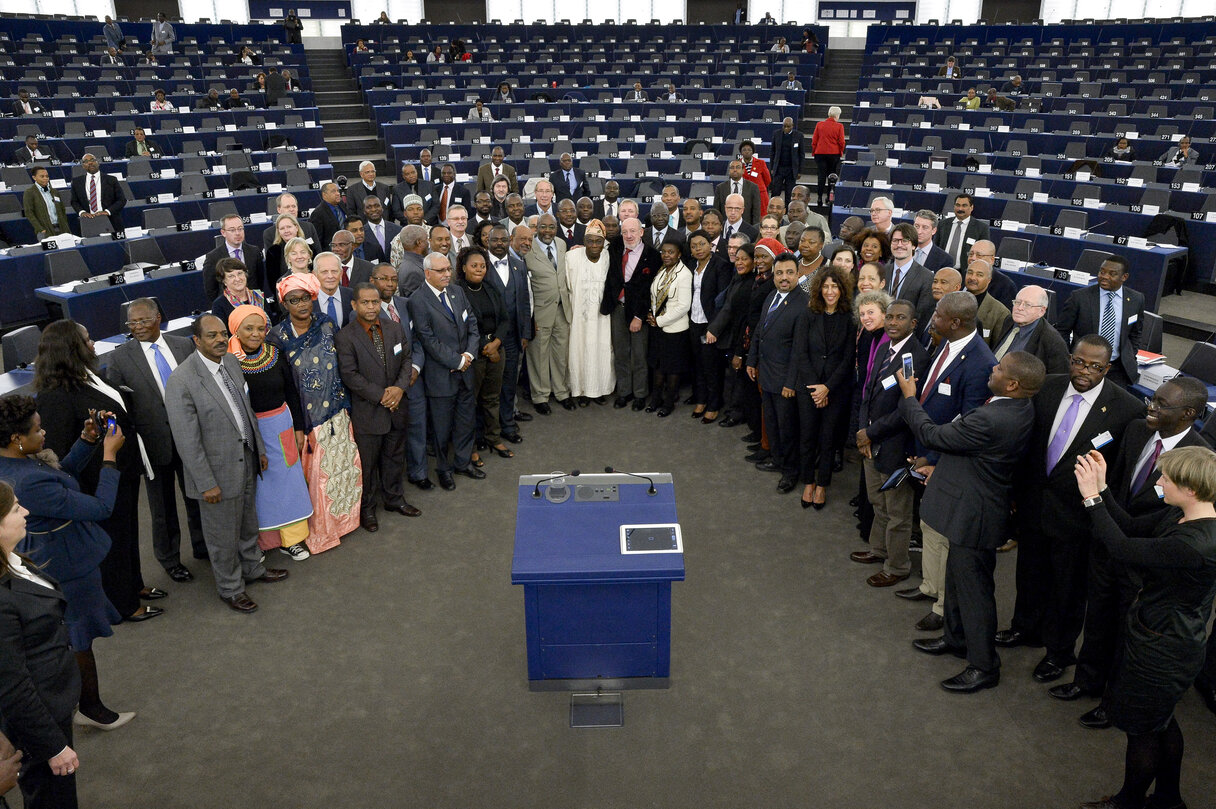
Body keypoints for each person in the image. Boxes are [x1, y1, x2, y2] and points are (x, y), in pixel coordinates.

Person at [1052, 378, 1211, 723]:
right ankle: (1087, 681)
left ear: (1188, 414)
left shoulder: (1198, 459)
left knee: (1128, 637)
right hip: (1108, 545)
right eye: (1152, 399)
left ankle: (1113, 702)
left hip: (1147, 563)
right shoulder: (1138, 430)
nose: (1150, 406)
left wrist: (1095, 500)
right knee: (1097, 618)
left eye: (1161, 404)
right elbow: (1119, 486)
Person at [1073, 446, 1216, 809]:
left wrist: (1091, 499)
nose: (1160, 481)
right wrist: (1103, 490)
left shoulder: (1194, 545)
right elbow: (1132, 527)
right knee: (1161, 721)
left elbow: (1121, 548)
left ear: (1192, 489)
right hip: (1162, 636)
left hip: (1165, 649)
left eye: (1167, 478)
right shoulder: (1184, 515)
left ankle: (1129, 802)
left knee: (1142, 731)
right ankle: (1169, 800)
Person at [998, 334, 1143, 687]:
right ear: (1069, 358)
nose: (1084, 371)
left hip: (1078, 517)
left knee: (1068, 589)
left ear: (1107, 369)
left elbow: (1119, 472)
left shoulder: (1125, 408)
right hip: (1034, 505)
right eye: (1079, 362)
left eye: (1095, 366)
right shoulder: (1046, 387)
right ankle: (1025, 628)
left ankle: (1059, 652)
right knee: (1029, 573)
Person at [904, 351, 1044, 692]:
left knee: (975, 592)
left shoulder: (993, 419)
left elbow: (933, 435)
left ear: (1012, 384)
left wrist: (909, 397)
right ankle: (955, 639)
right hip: (968, 507)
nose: (992, 369)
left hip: (974, 514)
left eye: (999, 369)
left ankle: (983, 666)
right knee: (956, 579)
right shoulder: (1014, 407)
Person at [0, 397, 138, 742]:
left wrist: (87, 442)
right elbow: (101, 506)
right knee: (78, 638)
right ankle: (90, 708)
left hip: (46, 556)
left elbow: (59, 479)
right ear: (17, 437)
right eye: (37, 428)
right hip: (65, 564)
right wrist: (109, 455)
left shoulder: (14, 463)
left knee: (71, 635)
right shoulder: (28, 481)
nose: (44, 431)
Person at [33, 321, 158, 624]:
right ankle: (123, 604)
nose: (93, 345)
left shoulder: (89, 375)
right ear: (71, 348)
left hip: (121, 469)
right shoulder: (55, 394)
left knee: (128, 531)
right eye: (87, 340)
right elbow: (59, 451)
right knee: (111, 540)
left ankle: (134, 584)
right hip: (96, 480)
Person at [165, 315, 288, 613]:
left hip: (245, 458)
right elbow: (187, 440)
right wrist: (206, 482)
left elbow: (245, 411)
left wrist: (257, 448)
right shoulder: (182, 380)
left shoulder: (232, 362)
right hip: (214, 473)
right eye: (211, 336)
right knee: (221, 535)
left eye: (223, 334)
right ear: (197, 340)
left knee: (248, 521)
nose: (220, 339)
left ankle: (253, 569)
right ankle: (230, 588)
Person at [895, 292, 997, 630]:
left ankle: (942, 606)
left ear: (955, 322)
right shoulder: (946, 342)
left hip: (947, 462)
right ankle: (929, 586)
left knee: (943, 534)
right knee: (928, 525)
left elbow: (967, 423)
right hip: (926, 448)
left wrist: (934, 459)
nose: (932, 319)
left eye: (938, 315)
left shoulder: (981, 362)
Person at [105, 299, 206, 583]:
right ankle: (170, 560)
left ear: (158, 318)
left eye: (142, 321)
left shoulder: (183, 346)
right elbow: (119, 404)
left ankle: (203, 546)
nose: (137, 328)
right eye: (131, 323)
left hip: (190, 438)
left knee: (197, 497)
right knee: (161, 508)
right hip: (152, 444)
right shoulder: (120, 358)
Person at [0, 480, 86, 808]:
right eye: (14, 509)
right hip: (38, 720)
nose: (26, 512)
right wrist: (53, 747)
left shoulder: (14, 561)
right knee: (51, 798)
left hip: (53, 702)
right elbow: (12, 685)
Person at [271, 274, 363, 552]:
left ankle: (345, 523)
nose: (301, 304)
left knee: (343, 470)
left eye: (305, 298)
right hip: (306, 419)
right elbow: (283, 384)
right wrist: (298, 426)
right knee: (316, 477)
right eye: (293, 300)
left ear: (313, 298)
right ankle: (320, 532)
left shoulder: (326, 324)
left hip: (336, 410)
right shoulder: (277, 336)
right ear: (284, 303)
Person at [227, 305, 312, 560]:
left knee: (289, 484)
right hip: (251, 432)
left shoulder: (275, 353)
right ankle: (261, 542)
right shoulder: (228, 362)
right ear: (236, 330)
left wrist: (298, 428)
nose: (256, 333)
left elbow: (291, 393)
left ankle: (292, 540)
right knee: (259, 489)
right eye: (248, 328)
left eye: (260, 328)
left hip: (282, 427)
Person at [854, 299, 929, 585]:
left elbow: (905, 409)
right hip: (870, 442)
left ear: (913, 323)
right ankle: (878, 549)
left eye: (901, 318)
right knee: (877, 501)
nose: (893, 322)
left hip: (895, 446)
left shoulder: (916, 357)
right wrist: (863, 430)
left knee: (897, 511)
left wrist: (870, 433)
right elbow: (868, 392)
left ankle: (897, 567)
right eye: (890, 317)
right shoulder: (884, 347)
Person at [409, 256, 483, 491]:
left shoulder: (457, 292)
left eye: (449, 269)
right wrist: (456, 360)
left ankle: (462, 463)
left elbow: (472, 324)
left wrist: (468, 356)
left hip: (465, 371)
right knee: (441, 429)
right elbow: (427, 339)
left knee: (465, 421)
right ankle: (444, 469)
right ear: (427, 273)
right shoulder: (417, 300)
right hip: (441, 376)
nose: (447, 274)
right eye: (441, 270)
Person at [789, 263, 856, 506]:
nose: (830, 291)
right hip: (809, 387)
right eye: (826, 286)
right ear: (819, 289)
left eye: (834, 286)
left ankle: (822, 485)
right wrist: (816, 387)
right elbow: (800, 353)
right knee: (807, 436)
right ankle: (808, 482)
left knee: (828, 439)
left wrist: (827, 387)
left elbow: (848, 358)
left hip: (835, 389)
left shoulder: (849, 318)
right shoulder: (808, 314)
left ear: (842, 289)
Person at [748, 251, 809, 490]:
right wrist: (751, 360)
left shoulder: (803, 304)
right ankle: (777, 459)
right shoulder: (771, 296)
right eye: (780, 272)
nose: (784, 277)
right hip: (766, 374)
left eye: (789, 273)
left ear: (797, 274)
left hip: (785, 381)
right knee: (772, 424)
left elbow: (799, 350)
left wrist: (790, 384)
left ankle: (790, 472)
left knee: (788, 429)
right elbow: (759, 333)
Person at [454, 248, 514, 461]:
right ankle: (469, 447)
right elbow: (462, 326)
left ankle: (493, 437)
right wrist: (484, 347)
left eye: (482, 266)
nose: (479, 269)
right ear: (463, 268)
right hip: (472, 353)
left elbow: (505, 319)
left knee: (491, 398)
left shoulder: (491, 287)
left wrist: (496, 343)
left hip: (496, 349)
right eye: (474, 265)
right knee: (470, 401)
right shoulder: (457, 291)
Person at [1055, 256, 1144, 387]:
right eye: (1102, 272)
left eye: (1112, 274)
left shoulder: (1136, 299)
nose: (1104, 276)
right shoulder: (1079, 297)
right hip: (1084, 368)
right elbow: (1062, 330)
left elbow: (1136, 333)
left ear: (1124, 277)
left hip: (1118, 368)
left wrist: (1130, 355)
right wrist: (1071, 359)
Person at [604, 216, 659, 411]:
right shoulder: (616, 247)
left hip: (638, 313)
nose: (629, 235)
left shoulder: (653, 255)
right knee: (621, 353)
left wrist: (639, 316)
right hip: (618, 308)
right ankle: (624, 392)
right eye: (625, 231)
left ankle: (640, 394)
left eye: (633, 231)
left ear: (642, 232)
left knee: (639, 355)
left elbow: (650, 290)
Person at [525, 215, 573, 414]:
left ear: (556, 228)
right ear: (536, 228)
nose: (547, 231)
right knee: (539, 356)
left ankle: (562, 392)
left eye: (551, 227)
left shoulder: (561, 244)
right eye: (542, 227)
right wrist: (530, 317)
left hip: (562, 309)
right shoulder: (528, 249)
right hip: (540, 313)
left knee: (561, 354)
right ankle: (541, 396)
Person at [563, 219, 615, 405]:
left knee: (601, 351)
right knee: (579, 351)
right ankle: (581, 391)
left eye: (598, 241)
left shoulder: (609, 257)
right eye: (590, 241)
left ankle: (599, 390)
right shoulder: (572, 257)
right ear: (584, 241)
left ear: (604, 242)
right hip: (579, 317)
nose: (594, 245)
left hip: (601, 319)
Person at [644, 239, 693, 417]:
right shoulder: (661, 271)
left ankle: (669, 403)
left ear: (679, 254)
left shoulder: (684, 274)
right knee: (658, 366)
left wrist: (660, 321)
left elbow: (683, 306)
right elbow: (655, 296)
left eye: (671, 252)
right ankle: (655, 399)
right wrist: (652, 314)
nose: (666, 255)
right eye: (664, 252)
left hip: (675, 330)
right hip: (658, 328)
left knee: (672, 369)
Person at [686, 230, 731, 423]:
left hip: (710, 324)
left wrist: (713, 328)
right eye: (694, 246)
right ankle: (701, 399)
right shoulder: (690, 266)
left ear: (710, 245)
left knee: (711, 366)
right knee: (697, 364)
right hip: (693, 322)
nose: (698, 249)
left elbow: (722, 301)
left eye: (702, 244)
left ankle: (714, 404)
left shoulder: (721, 266)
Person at [990, 285, 1070, 374]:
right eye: (1017, 302)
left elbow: (1058, 378)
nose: (1020, 308)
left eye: (1027, 305)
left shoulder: (1052, 341)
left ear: (1041, 311)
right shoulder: (1009, 320)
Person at [203, 215, 266, 303]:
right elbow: (210, 289)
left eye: (240, 229)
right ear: (223, 232)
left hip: (253, 302)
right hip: (228, 305)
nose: (237, 233)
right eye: (232, 230)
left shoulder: (254, 251)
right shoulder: (213, 257)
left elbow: (260, 280)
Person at [887, 223, 935, 326]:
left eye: (904, 241)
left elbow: (922, 316)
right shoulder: (882, 272)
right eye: (895, 240)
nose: (899, 245)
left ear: (914, 245)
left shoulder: (926, 277)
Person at [68, 153, 125, 235]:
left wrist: (107, 212)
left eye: (92, 160)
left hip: (110, 220)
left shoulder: (111, 180)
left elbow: (121, 200)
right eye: (86, 161)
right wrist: (82, 212)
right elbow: (74, 201)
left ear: (98, 162)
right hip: (88, 221)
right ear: (83, 166)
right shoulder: (77, 182)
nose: (90, 163)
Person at [933, 193, 990, 269]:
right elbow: (935, 247)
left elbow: (984, 253)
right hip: (942, 269)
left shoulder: (981, 228)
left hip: (965, 272)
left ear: (971, 207)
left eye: (964, 205)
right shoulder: (943, 224)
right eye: (957, 205)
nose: (960, 209)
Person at [210, 258, 265, 324]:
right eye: (231, 276)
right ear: (224, 281)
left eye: (240, 273)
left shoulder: (258, 295)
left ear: (245, 275)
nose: (237, 279)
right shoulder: (219, 305)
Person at [811, 107, 846, 207]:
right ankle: (829, 197)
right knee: (832, 177)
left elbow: (814, 140)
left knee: (821, 176)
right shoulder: (839, 126)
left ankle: (819, 197)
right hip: (833, 154)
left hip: (820, 153)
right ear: (837, 115)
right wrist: (840, 152)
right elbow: (841, 142)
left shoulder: (819, 124)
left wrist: (814, 152)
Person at [23, 167, 69, 240]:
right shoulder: (29, 192)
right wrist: (40, 229)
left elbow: (62, 210)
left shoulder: (54, 192)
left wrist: (65, 225)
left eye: (47, 176)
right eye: (42, 176)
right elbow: (29, 213)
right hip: (44, 230)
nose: (45, 178)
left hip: (61, 228)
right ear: (34, 178)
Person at [714, 161, 762, 226]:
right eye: (732, 168)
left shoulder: (753, 187)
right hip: (726, 227)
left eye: (738, 167)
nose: (735, 170)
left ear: (743, 171)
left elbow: (756, 211)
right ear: (729, 171)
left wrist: (754, 229)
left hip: (746, 226)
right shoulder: (720, 188)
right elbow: (716, 210)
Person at [770, 118, 803, 205]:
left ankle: (788, 213)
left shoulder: (799, 135)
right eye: (784, 126)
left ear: (792, 126)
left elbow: (801, 155)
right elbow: (772, 152)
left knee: (789, 194)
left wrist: (799, 170)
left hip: (791, 170)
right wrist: (772, 167)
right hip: (779, 168)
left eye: (788, 126)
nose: (786, 128)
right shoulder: (776, 134)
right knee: (775, 191)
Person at [739, 140, 772, 218]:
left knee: (762, 218)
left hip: (760, 195)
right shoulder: (737, 164)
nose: (747, 152)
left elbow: (767, 180)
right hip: (744, 195)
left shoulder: (761, 163)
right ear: (741, 152)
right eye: (744, 150)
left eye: (749, 150)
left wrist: (759, 187)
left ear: (753, 151)